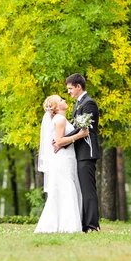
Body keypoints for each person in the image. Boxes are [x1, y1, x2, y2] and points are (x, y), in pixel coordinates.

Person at [54, 73, 102, 233]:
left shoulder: (89, 104)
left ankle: (92, 224)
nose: (68, 92)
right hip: (79, 152)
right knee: (82, 189)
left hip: (87, 152)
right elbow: (76, 127)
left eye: (70, 89)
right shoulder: (77, 105)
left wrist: (61, 141)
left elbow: (83, 129)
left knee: (88, 190)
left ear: (78, 87)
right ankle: (84, 223)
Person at [34, 95, 89, 233]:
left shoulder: (61, 119)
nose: (64, 100)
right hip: (63, 158)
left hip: (66, 156)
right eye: (61, 100)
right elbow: (58, 141)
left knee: (63, 188)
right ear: (57, 107)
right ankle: (69, 226)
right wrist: (80, 135)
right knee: (66, 187)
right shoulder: (60, 119)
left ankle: (61, 224)